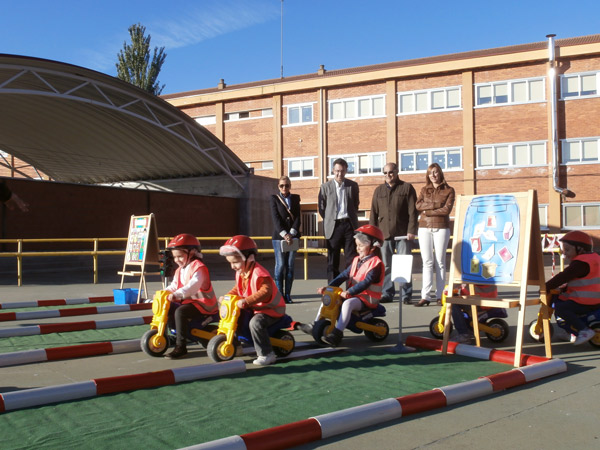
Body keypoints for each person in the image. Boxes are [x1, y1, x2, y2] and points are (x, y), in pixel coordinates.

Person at [302, 225, 384, 347]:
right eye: (357, 245)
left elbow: (366, 282)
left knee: (347, 304)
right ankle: (316, 323)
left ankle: (337, 333)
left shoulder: (375, 264)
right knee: (328, 298)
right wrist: (328, 287)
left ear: (373, 246)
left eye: (361, 246)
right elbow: (344, 275)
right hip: (354, 295)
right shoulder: (357, 260)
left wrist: (350, 291)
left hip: (368, 298)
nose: (358, 248)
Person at [219, 235, 286, 366]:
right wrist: (226, 297)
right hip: (255, 307)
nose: (232, 266)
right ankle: (236, 346)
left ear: (249, 258)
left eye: (235, 262)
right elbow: (238, 289)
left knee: (256, 323)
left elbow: (266, 291)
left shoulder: (259, 272)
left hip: (271, 309)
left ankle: (267, 354)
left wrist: (247, 301)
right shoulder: (241, 272)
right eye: (230, 263)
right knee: (234, 316)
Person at [163, 234, 217, 359]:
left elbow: (193, 286)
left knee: (180, 312)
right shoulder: (180, 269)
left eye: (180, 256)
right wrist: (164, 293)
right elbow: (174, 285)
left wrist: (177, 294)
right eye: (174, 257)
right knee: (168, 307)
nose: (177, 260)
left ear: (192, 252)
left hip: (204, 304)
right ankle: (173, 336)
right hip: (190, 302)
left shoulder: (199, 267)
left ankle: (181, 347)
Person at [369, 162, 418, 304]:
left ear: (397, 172)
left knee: (404, 264)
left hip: (403, 234)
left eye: (390, 172)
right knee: (386, 265)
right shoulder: (378, 191)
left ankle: (406, 294)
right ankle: (387, 293)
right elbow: (373, 214)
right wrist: (373, 235)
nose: (388, 175)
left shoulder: (406, 188)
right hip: (384, 235)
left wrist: (411, 231)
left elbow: (413, 212)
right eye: (385, 173)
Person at [545, 231, 600, 345]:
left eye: (568, 249)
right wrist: (564, 289)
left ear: (579, 249)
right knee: (563, 300)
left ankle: (583, 330)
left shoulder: (580, 263)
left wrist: (546, 286)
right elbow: (585, 282)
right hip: (595, 300)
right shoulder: (595, 258)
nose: (565, 253)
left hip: (585, 302)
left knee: (561, 309)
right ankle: (570, 331)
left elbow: (563, 276)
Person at [415, 163, 455, 306]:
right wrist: (434, 206)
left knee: (440, 262)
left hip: (441, 227)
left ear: (440, 174)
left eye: (436, 172)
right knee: (427, 262)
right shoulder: (424, 190)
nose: (433, 175)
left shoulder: (449, 190)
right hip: (424, 227)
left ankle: (440, 295)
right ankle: (425, 296)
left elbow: (446, 210)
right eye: (430, 173)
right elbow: (418, 205)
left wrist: (428, 211)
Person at [318, 158, 360, 282]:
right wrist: (330, 218)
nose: (339, 174)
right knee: (332, 260)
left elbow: (355, 204)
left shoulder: (352, 186)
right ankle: (332, 290)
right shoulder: (325, 187)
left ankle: (351, 288)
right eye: (337, 171)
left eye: (342, 171)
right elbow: (322, 208)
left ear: (346, 171)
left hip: (349, 226)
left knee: (351, 259)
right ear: (333, 170)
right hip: (333, 227)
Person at [270, 176, 301, 304]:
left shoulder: (295, 198)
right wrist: (284, 234)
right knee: (280, 265)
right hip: (279, 237)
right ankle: (279, 295)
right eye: (282, 185)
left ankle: (288, 294)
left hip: (293, 237)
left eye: (287, 185)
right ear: (278, 186)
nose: (284, 188)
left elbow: (298, 216)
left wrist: (292, 233)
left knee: (290, 266)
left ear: (290, 186)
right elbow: (275, 218)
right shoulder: (274, 199)